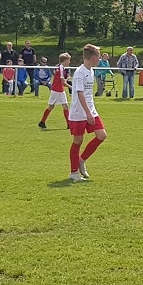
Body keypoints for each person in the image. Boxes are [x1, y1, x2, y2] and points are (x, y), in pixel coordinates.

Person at [67, 44, 108, 182]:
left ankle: (81, 160)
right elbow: (80, 94)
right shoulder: (80, 72)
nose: (99, 59)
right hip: (79, 112)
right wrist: (87, 113)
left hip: (91, 110)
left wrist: (91, 112)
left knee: (102, 135)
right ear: (93, 57)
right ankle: (73, 173)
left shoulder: (91, 71)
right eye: (98, 56)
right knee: (78, 140)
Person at [39, 53, 72, 129]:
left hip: (60, 89)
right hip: (56, 90)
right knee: (51, 106)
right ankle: (42, 122)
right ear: (65, 60)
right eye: (68, 60)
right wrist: (71, 87)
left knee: (65, 106)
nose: (69, 62)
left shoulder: (62, 68)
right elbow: (62, 82)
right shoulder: (61, 68)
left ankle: (69, 124)